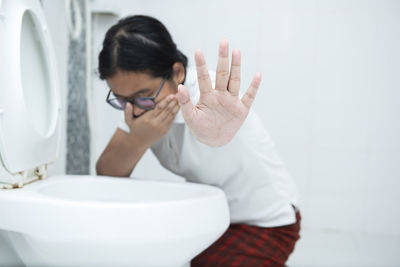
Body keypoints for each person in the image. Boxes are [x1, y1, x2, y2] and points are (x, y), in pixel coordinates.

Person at [96, 15, 301, 267]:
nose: (135, 111)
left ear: (177, 73)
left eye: (143, 96)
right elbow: (105, 172)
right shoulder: (137, 105)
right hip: (211, 214)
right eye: (121, 99)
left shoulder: (213, 97)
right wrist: (138, 140)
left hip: (264, 220)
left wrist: (214, 131)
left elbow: (219, 122)